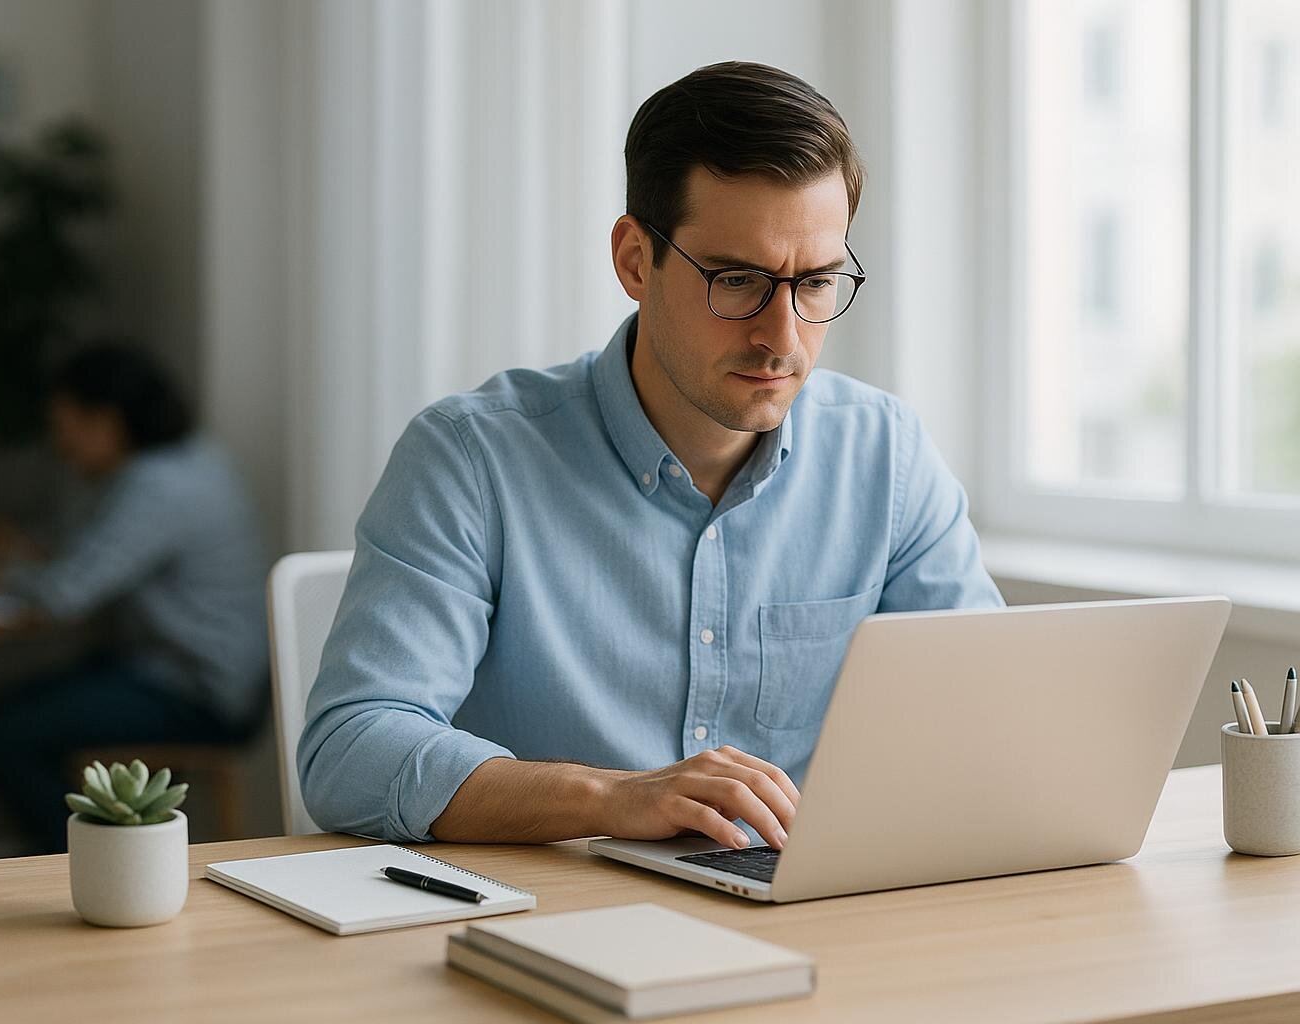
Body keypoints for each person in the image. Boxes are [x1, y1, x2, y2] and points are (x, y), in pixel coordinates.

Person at [297, 61, 1003, 851]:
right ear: (636, 260)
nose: (782, 337)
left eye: (815, 283)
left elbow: (987, 718)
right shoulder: (472, 460)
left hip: (806, 914)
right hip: (545, 922)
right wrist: (612, 798)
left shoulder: (886, 456)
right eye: (737, 280)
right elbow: (350, 751)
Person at [0, 344, 268, 852]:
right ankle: (85, 854)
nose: (60, 443)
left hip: (201, 692)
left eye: (65, 426)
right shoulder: (190, 459)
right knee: (23, 705)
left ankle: (74, 861)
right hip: (206, 674)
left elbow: (64, 595)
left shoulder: (157, 485)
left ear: (105, 421)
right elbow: (88, 556)